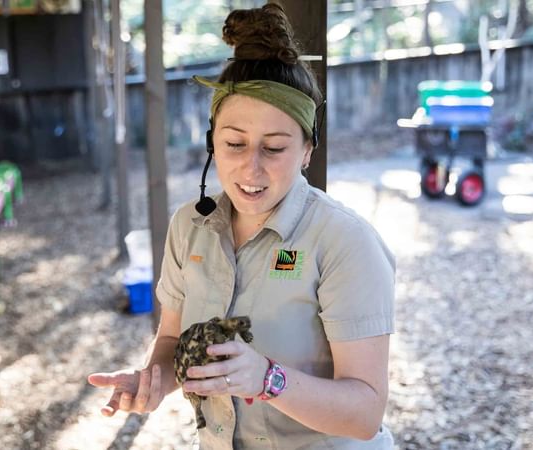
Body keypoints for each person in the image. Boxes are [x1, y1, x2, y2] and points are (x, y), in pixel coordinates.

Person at [88, 4, 395, 449]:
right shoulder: (189, 226)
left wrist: (267, 379)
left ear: (307, 150)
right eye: (234, 143)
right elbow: (173, 338)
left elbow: (366, 414)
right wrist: (151, 380)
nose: (251, 169)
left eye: (274, 148)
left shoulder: (344, 242)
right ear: (212, 138)